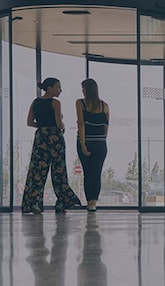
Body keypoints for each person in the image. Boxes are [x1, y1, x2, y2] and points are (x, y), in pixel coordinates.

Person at [21, 77, 81, 214]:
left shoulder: (35, 102)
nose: (60, 90)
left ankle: (33, 203)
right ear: (49, 88)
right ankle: (63, 201)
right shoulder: (55, 103)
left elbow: (29, 122)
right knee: (58, 170)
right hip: (55, 138)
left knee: (37, 171)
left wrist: (42, 127)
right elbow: (59, 123)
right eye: (58, 87)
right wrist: (62, 125)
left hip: (41, 137)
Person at [76, 78, 109, 212]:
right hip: (101, 143)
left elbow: (81, 123)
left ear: (87, 90)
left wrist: (83, 144)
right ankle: (93, 203)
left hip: (85, 141)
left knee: (88, 173)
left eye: (83, 88)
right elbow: (106, 126)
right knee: (96, 173)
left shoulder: (80, 103)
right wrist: (101, 140)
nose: (82, 91)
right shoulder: (104, 105)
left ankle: (90, 201)